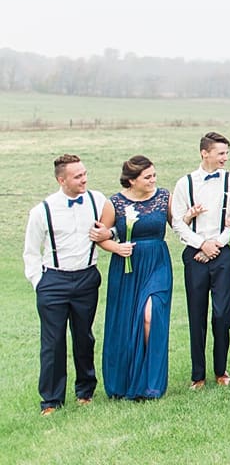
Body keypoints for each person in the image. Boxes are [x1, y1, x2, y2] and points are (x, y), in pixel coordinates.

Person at [23, 155, 105, 415]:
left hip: (86, 277)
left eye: (84, 174)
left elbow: (111, 228)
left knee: (84, 337)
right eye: (77, 176)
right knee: (53, 342)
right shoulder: (42, 210)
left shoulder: (97, 200)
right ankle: (51, 400)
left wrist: (109, 234)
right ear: (62, 180)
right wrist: (40, 282)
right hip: (53, 281)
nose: (84, 179)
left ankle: (85, 391)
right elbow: (31, 252)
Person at [170, 132, 230, 389]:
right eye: (221, 153)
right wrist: (201, 244)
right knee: (197, 313)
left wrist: (217, 244)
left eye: (226, 153)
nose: (225, 158)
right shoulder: (185, 183)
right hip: (195, 254)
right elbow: (178, 223)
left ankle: (221, 369)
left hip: (224, 252)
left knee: (223, 313)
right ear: (205, 153)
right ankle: (197, 375)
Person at [100, 156, 173, 399]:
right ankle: (127, 379)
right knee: (126, 321)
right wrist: (117, 248)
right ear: (131, 181)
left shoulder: (164, 197)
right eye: (147, 177)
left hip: (157, 263)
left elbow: (180, 225)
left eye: (154, 175)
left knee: (151, 316)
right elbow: (101, 237)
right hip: (127, 266)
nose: (153, 180)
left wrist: (192, 217)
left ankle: (151, 380)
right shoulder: (114, 203)